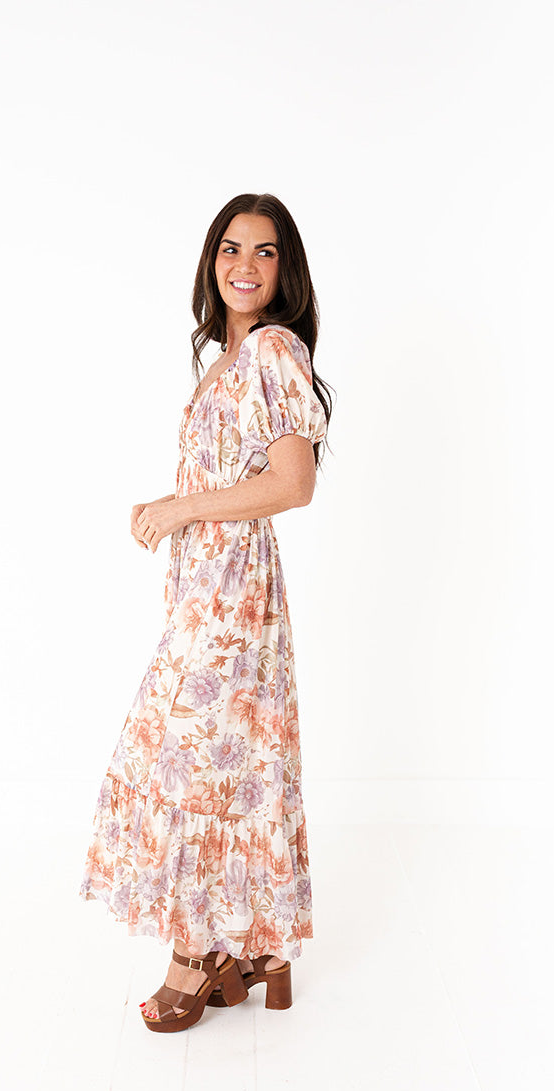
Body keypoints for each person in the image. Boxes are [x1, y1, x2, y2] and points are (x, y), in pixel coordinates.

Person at [78, 192, 333, 1033]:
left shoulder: (273, 349)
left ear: (285, 271)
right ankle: (255, 949)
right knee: (220, 763)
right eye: (231, 248)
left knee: (186, 761)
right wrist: (173, 504)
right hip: (205, 592)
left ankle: (196, 955)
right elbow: (231, 477)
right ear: (211, 261)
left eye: (265, 252)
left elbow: (293, 483)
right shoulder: (226, 361)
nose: (245, 266)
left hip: (235, 600)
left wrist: (183, 510)